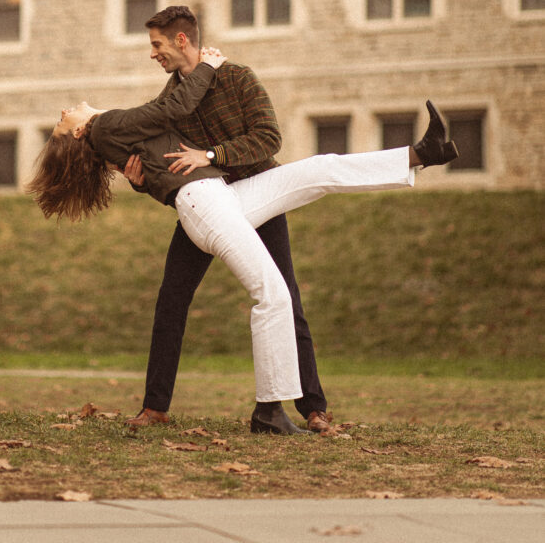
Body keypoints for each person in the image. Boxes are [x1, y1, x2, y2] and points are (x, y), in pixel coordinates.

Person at [27, 49, 459, 435]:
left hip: (227, 195)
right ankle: (268, 412)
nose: (63, 111)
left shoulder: (118, 132)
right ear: (79, 134)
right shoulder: (108, 125)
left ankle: (423, 153)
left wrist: (143, 180)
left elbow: (164, 146)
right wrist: (210, 65)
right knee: (271, 295)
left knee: (319, 170)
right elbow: (167, 110)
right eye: (60, 122)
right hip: (206, 202)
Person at [125, 5, 329, 437]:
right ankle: (155, 407)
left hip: (261, 195)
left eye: (157, 45)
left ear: (182, 40)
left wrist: (212, 156)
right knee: (171, 301)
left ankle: (314, 409)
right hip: (207, 205)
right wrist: (140, 181)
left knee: (286, 298)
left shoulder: (236, 77)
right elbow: (165, 163)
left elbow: (269, 137)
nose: (152, 54)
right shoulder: (170, 101)